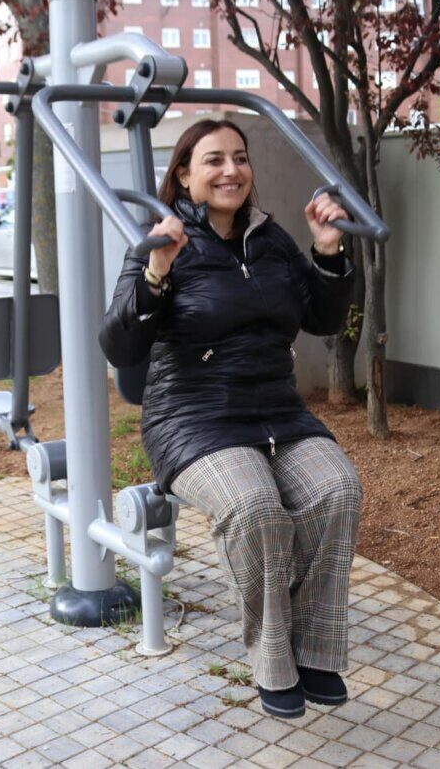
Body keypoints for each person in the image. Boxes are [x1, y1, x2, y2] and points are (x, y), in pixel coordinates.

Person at [99, 119, 363, 720]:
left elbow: (323, 319)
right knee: (254, 508)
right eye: (213, 160)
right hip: (192, 419)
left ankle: (316, 648)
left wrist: (327, 250)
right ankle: (274, 658)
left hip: (276, 411)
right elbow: (119, 348)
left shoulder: (270, 241)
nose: (230, 171)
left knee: (338, 489)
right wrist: (157, 273)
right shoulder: (161, 240)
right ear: (185, 175)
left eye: (240, 158)